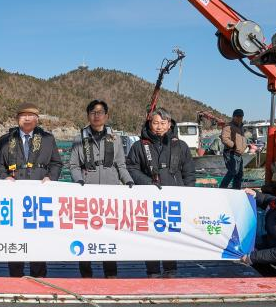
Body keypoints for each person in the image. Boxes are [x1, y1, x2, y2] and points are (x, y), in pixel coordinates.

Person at [126, 107, 195, 278]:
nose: (159, 127)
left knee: (171, 236)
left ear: (169, 124)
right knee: (150, 236)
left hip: (173, 200)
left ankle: (170, 270)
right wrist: (148, 183)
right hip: (148, 200)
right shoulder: (138, 146)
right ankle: (153, 271)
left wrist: (188, 194)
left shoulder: (181, 145)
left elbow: (189, 172)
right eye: (155, 123)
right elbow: (131, 168)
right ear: (149, 123)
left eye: (163, 123)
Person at [68, 100, 134, 278]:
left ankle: (111, 274)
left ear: (106, 115)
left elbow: (121, 165)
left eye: (100, 112)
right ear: (88, 115)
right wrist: (79, 181)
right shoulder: (79, 138)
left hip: (110, 194)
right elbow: (73, 165)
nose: (96, 116)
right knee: (85, 234)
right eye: (93, 112)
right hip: (87, 194)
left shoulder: (115, 138)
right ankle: (86, 275)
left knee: (109, 235)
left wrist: (128, 181)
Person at [0, 102, 63, 278]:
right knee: (15, 237)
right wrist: (4, 177)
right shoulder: (5, 140)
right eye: (23, 115)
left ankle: (39, 276)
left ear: (37, 119)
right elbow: (0, 165)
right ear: (17, 118)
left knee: (38, 237)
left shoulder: (48, 139)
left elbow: (56, 163)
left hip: (39, 197)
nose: (27, 118)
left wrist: (50, 178)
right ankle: (15, 277)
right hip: (14, 197)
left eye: (31, 115)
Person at [220, 109, 246, 189]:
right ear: (233, 117)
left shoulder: (241, 127)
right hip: (231, 152)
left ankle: (236, 190)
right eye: (237, 116)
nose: (239, 118)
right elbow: (224, 138)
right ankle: (222, 189)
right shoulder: (228, 126)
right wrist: (233, 146)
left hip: (239, 154)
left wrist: (245, 146)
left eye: (241, 116)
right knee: (232, 172)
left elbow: (242, 139)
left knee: (239, 174)